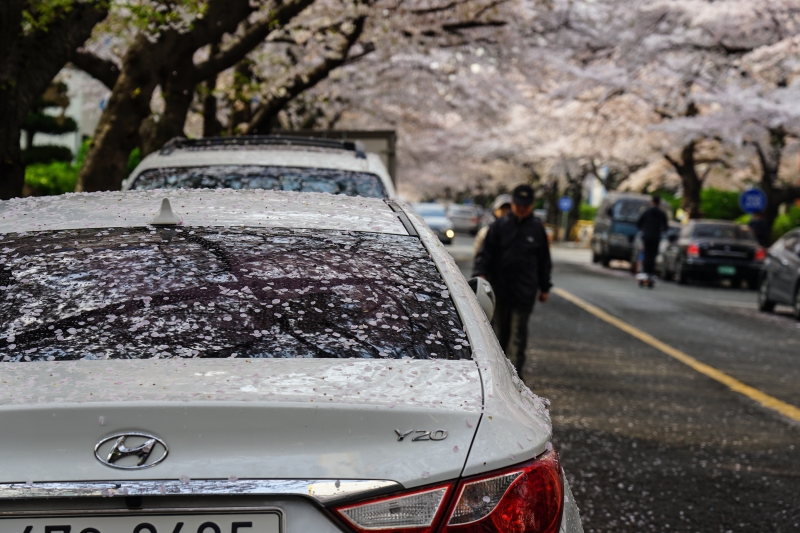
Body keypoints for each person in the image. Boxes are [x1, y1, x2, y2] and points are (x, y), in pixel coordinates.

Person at [473, 184, 552, 376]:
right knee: (498, 333)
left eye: (525, 206)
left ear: (532, 205)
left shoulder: (537, 229)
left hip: (524, 290)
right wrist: (481, 274)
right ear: (512, 204)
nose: (521, 209)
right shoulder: (500, 226)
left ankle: (515, 376)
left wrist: (545, 287)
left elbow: (544, 260)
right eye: (518, 205)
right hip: (499, 288)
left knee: (518, 334)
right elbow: (485, 255)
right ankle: (497, 374)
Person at [636, 194, 668, 286]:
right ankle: (650, 273)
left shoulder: (647, 212)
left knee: (646, 254)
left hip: (646, 236)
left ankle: (644, 272)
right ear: (660, 203)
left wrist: (644, 229)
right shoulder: (662, 214)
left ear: (652, 202)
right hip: (656, 237)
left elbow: (638, 223)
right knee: (653, 256)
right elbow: (665, 227)